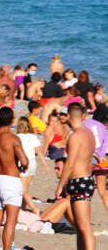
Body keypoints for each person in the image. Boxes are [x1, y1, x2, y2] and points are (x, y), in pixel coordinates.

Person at [0, 107, 28, 250]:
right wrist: (20, 165)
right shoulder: (13, 138)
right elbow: (24, 161)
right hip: (11, 180)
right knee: (10, 221)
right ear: (12, 120)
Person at [55, 103, 96, 250]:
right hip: (85, 179)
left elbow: (70, 164)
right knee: (79, 226)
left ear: (69, 115)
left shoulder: (76, 136)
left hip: (79, 181)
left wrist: (60, 186)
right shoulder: (89, 134)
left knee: (84, 226)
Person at [16, 117, 48, 216]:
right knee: (25, 189)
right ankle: (22, 209)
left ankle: (34, 209)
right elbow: (39, 152)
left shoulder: (16, 137)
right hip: (33, 163)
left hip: (23, 163)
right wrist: (45, 164)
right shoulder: (32, 137)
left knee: (23, 190)